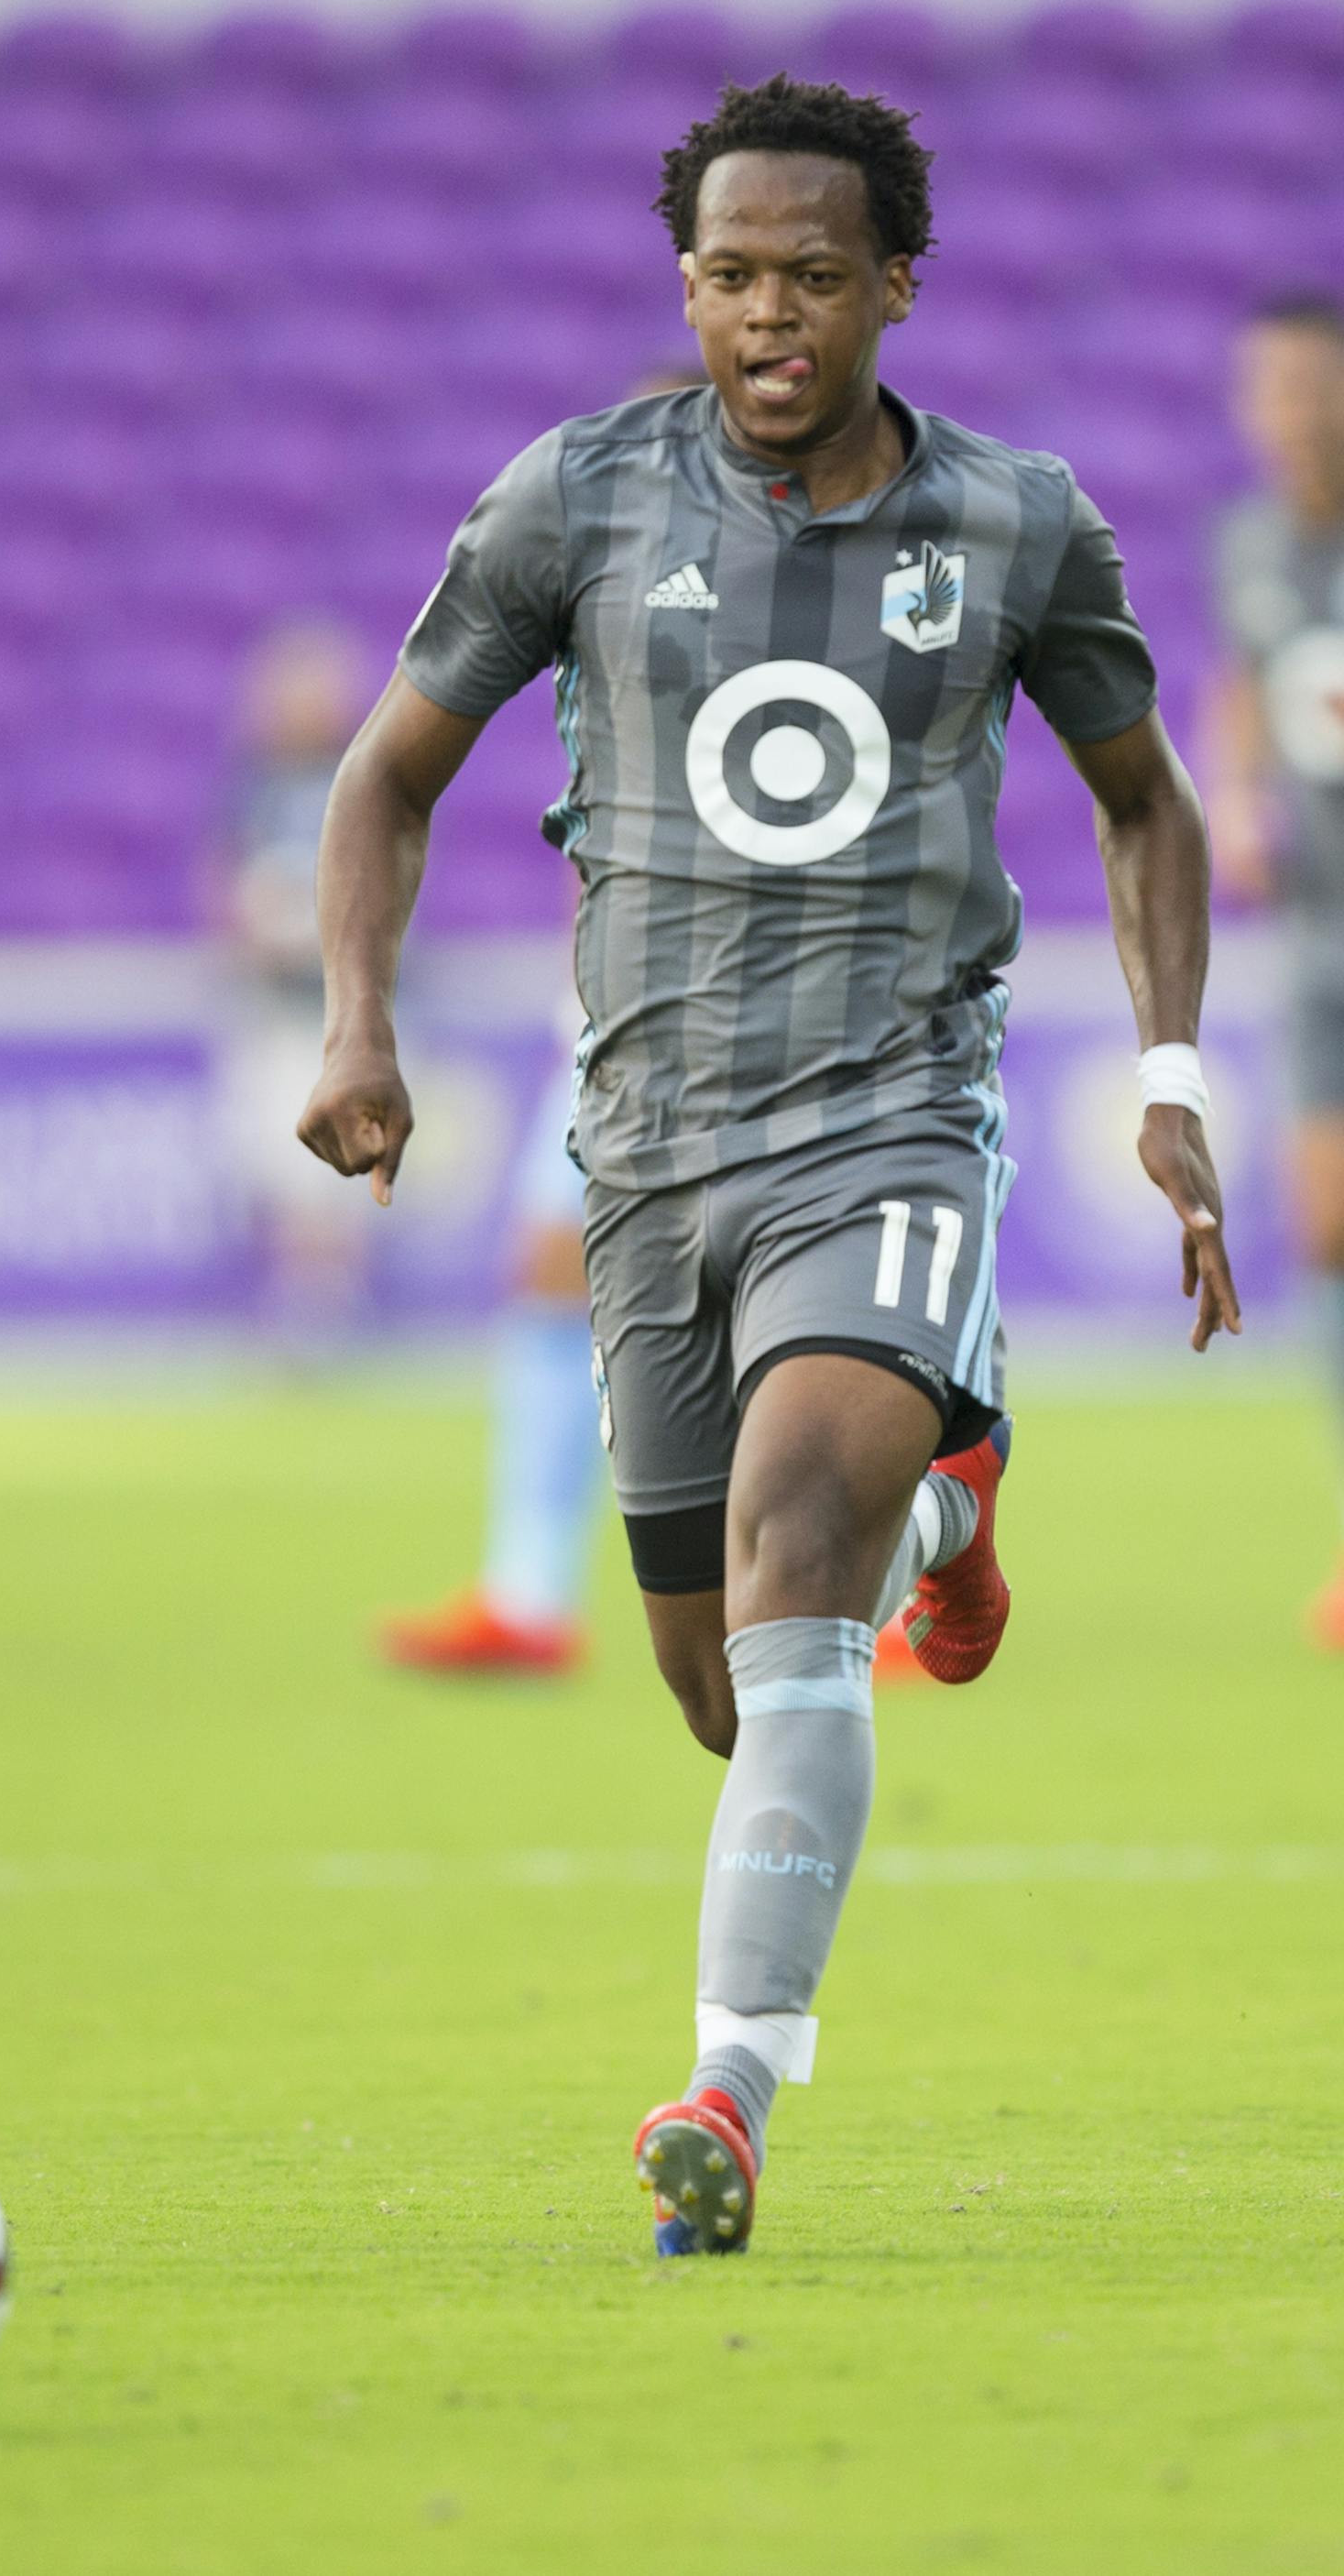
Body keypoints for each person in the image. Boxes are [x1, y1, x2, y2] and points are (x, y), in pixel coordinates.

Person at [298, 74, 1240, 2255]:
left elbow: (1143, 802)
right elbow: (381, 780)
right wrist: (355, 1019)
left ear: (895, 283)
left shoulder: (1017, 525)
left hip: (892, 1120)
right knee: (726, 1677)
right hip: (646, 1157)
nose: (766, 314)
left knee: (792, 1523)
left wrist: (1168, 1065)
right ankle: (950, 1504)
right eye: (727, 273)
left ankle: (722, 2088)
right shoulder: (573, 501)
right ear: (685, 281)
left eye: (812, 275)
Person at [379, 368, 706, 1681]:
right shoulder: (602, 589)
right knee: (548, 1267)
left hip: (766, 998)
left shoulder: (794, 600)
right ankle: (526, 1589)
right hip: (612, 1004)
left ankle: (899, 1575)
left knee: (803, 1294)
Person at [1205, 296, 1344, 1649]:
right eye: (1271, 387)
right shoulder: (1249, 542)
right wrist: (1237, 795)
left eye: (1311, 383)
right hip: (1318, 934)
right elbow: (1240, 683)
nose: (1292, 410)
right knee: (1324, 1226)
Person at [221, 619, 372, 1340]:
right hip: (279, 1005)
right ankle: (299, 1303)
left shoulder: (365, 779)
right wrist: (253, 929)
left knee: (339, 1163)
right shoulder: (256, 786)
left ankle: (329, 1306)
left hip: (345, 1011)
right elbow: (225, 882)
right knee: (284, 1162)